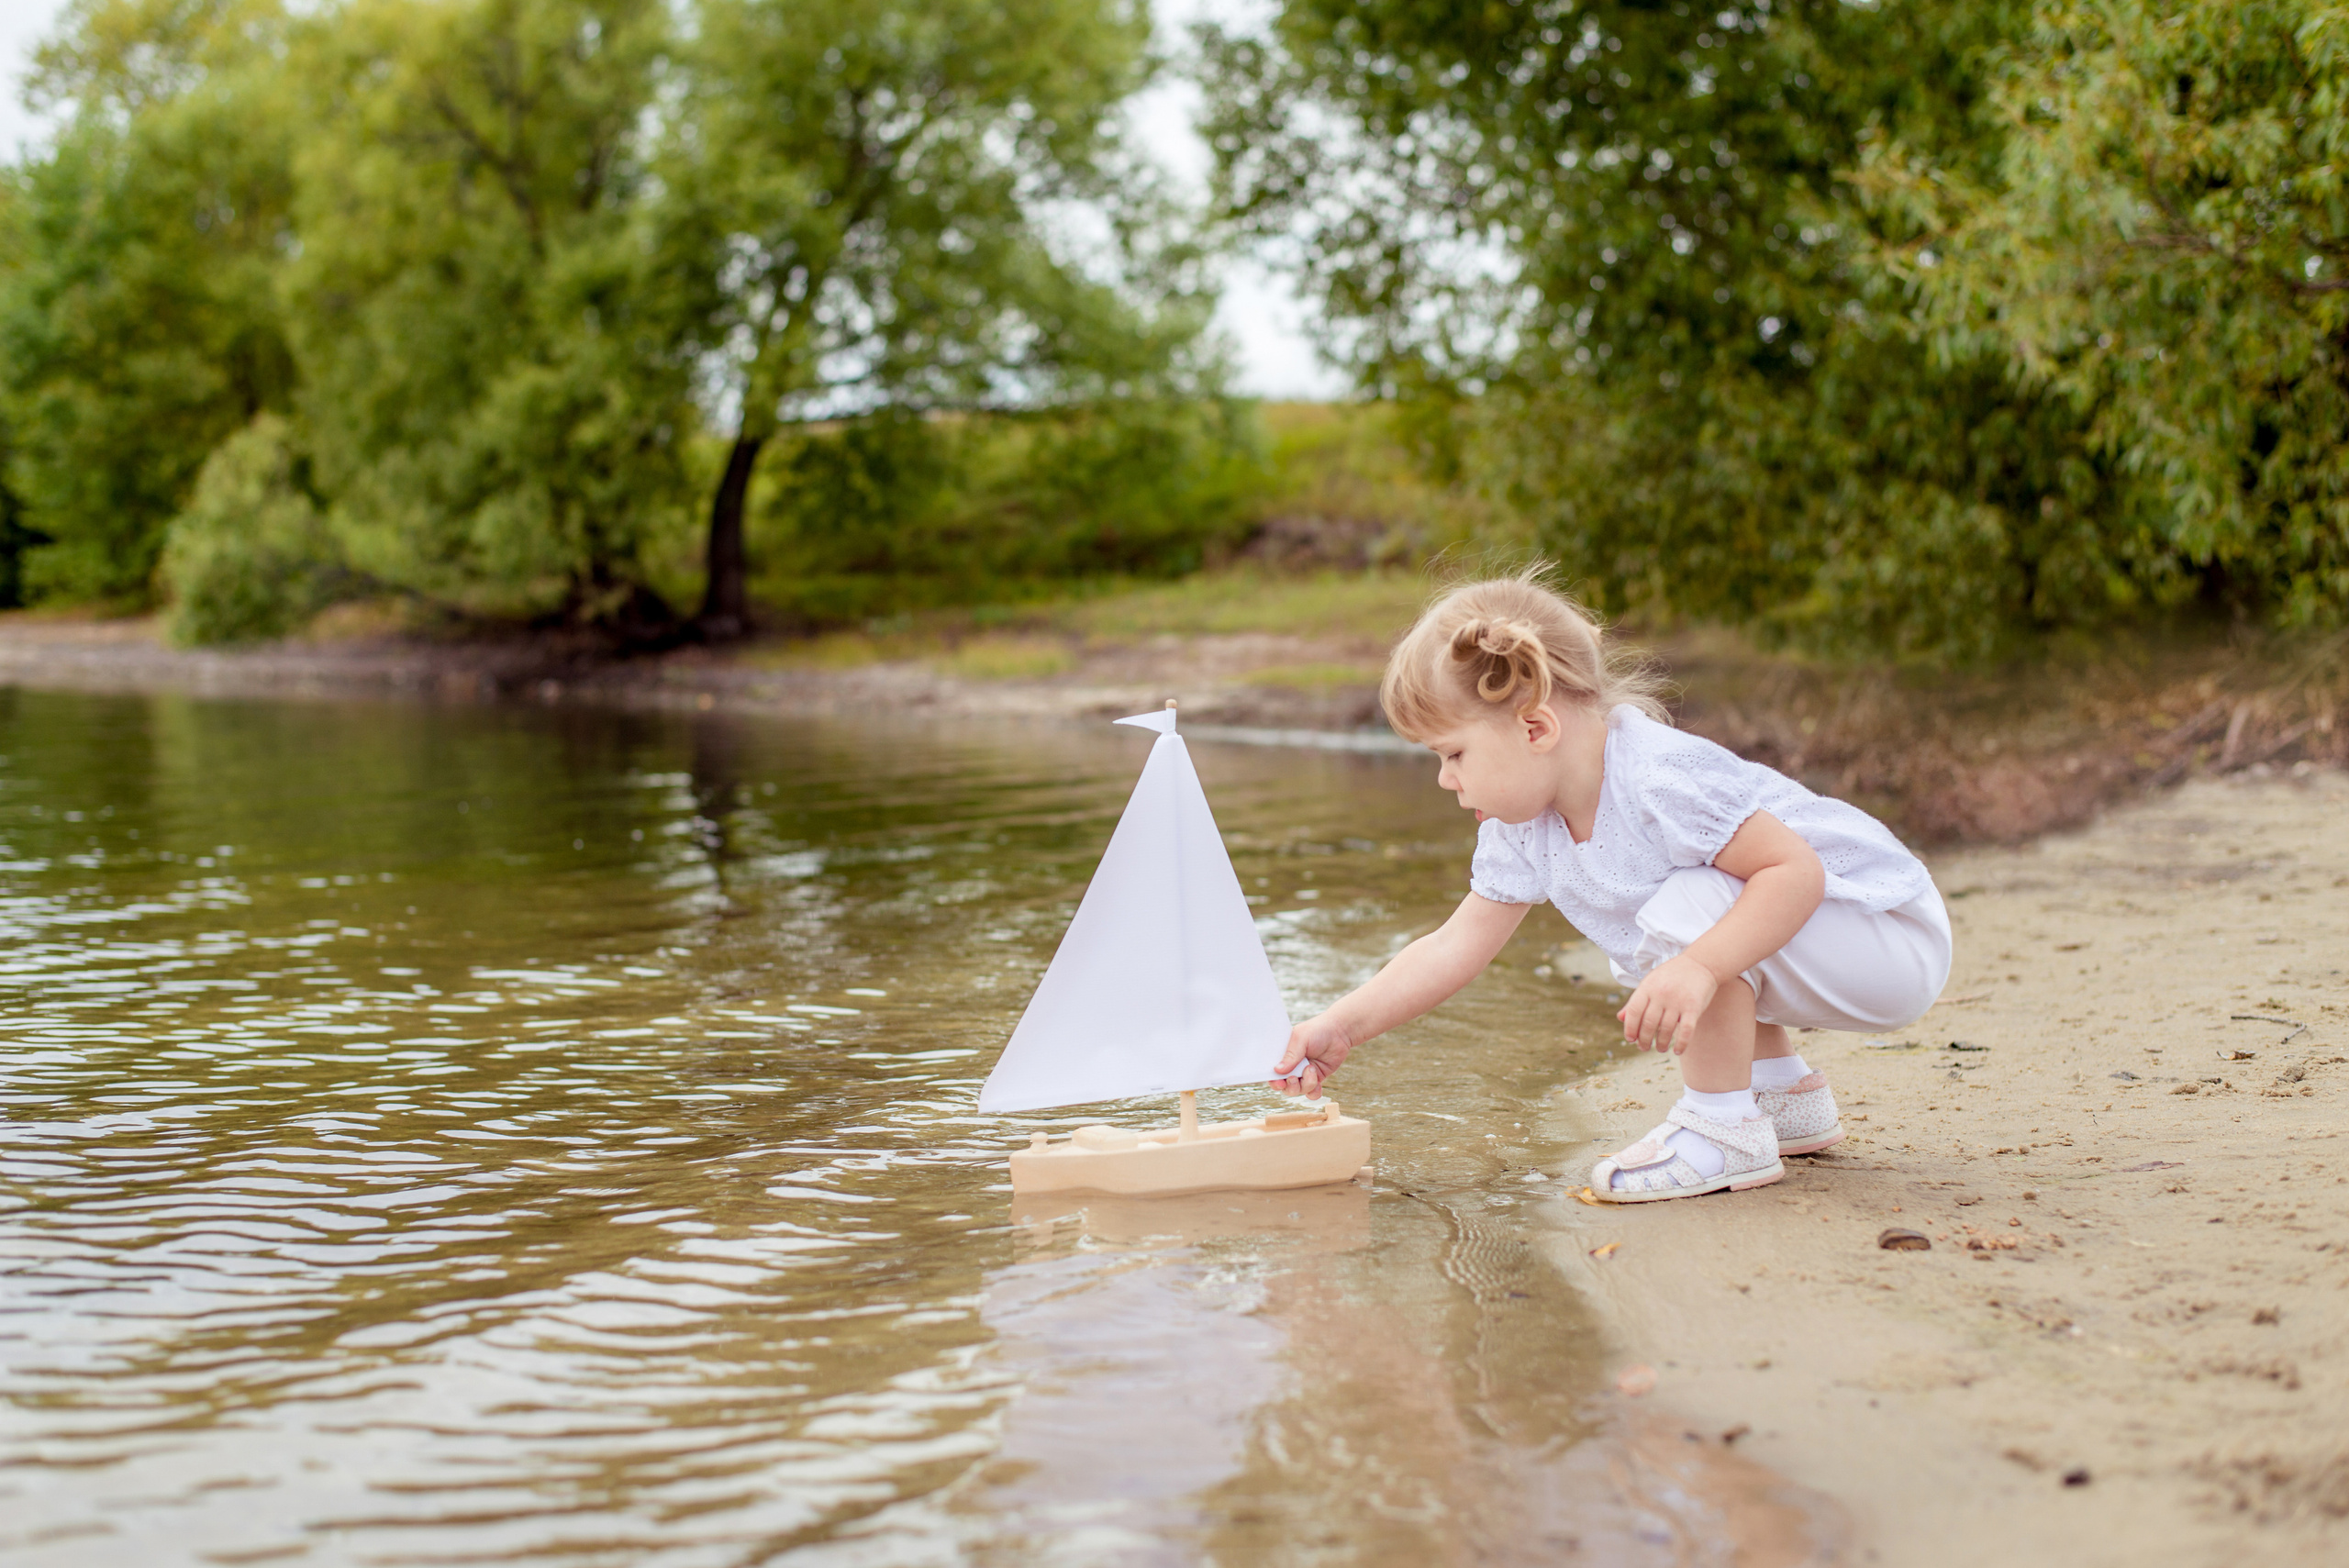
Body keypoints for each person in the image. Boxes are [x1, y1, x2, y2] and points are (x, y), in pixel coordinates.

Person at [1270, 568, 1952, 1201]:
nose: (1447, 778)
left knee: (1681, 914)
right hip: (1829, 945)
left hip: (1887, 931)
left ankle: (1722, 1130)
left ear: (1535, 726)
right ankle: (1782, 1098)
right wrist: (1342, 1026)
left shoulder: (1656, 776)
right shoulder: (1522, 825)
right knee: (1661, 920)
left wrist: (1698, 966)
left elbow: (1793, 871)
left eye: (1453, 754)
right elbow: (1457, 944)